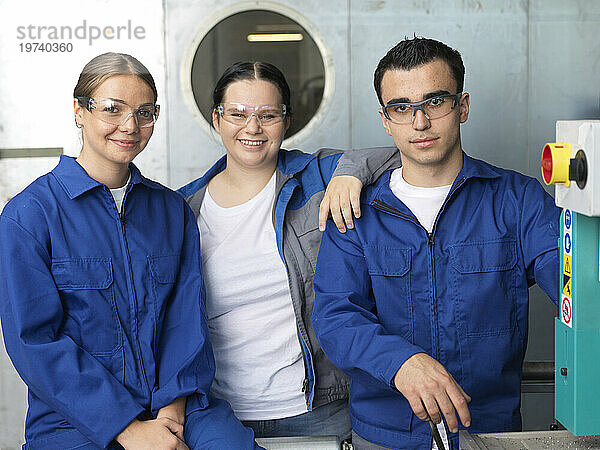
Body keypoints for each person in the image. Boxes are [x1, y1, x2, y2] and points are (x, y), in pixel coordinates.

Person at [0, 53, 261, 450]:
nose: (130, 127)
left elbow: (185, 318)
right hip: (75, 419)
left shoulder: (170, 210)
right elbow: (36, 343)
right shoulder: (30, 216)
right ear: (79, 111)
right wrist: (127, 428)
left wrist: (171, 414)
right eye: (112, 109)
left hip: (178, 405)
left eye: (144, 112)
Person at [312, 37, 561, 450]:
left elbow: (574, 279)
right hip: (384, 437)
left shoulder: (518, 201)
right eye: (401, 108)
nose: (420, 122)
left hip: (489, 431)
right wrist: (402, 364)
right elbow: (337, 317)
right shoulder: (354, 212)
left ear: (462, 106)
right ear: (385, 119)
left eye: (435, 102)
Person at [177, 61, 397, 440]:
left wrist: (351, 172)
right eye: (237, 114)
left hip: (318, 410)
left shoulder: (318, 178)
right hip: (219, 416)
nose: (252, 127)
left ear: (286, 120)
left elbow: (400, 155)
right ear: (217, 119)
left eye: (268, 115)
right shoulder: (184, 208)